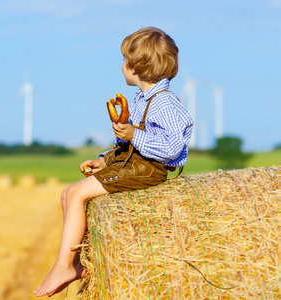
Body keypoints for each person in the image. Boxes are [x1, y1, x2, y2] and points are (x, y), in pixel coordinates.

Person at [33, 27, 193, 298]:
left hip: (147, 169)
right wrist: (105, 162)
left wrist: (134, 133)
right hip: (135, 163)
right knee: (68, 194)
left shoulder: (163, 102)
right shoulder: (143, 98)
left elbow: (173, 147)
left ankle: (64, 266)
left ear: (137, 67)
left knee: (77, 195)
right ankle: (76, 263)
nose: (121, 65)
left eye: (124, 60)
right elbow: (128, 147)